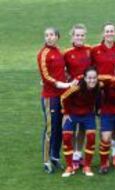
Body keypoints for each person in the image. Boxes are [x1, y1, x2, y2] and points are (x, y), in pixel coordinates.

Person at [37, 27, 75, 173]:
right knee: (50, 129)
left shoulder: (59, 52)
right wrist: (65, 84)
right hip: (50, 97)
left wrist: (68, 79)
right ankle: (46, 161)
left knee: (60, 127)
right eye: (46, 35)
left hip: (62, 97)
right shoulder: (43, 54)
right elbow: (46, 77)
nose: (49, 38)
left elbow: (63, 70)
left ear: (57, 36)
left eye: (52, 35)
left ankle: (55, 156)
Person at [91, 22, 115, 168]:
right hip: (101, 93)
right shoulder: (95, 50)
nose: (109, 33)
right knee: (103, 124)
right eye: (107, 31)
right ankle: (104, 156)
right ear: (103, 33)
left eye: (112, 31)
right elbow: (90, 70)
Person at [60, 67, 99, 177]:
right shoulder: (76, 87)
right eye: (89, 78)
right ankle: (69, 166)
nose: (92, 80)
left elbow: (98, 99)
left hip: (88, 115)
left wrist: (98, 110)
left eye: (94, 78)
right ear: (85, 78)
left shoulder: (97, 87)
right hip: (72, 113)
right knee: (67, 137)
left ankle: (87, 166)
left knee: (91, 137)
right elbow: (63, 97)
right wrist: (66, 112)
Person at [64, 24, 92, 170]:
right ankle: (74, 155)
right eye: (77, 35)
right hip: (73, 95)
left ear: (85, 36)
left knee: (83, 127)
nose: (80, 37)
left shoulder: (89, 50)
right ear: (72, 37)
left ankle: (78, 154)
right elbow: (61, 70)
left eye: (82, 35)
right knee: (73, 126)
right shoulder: (67, 53)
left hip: (87, 95)